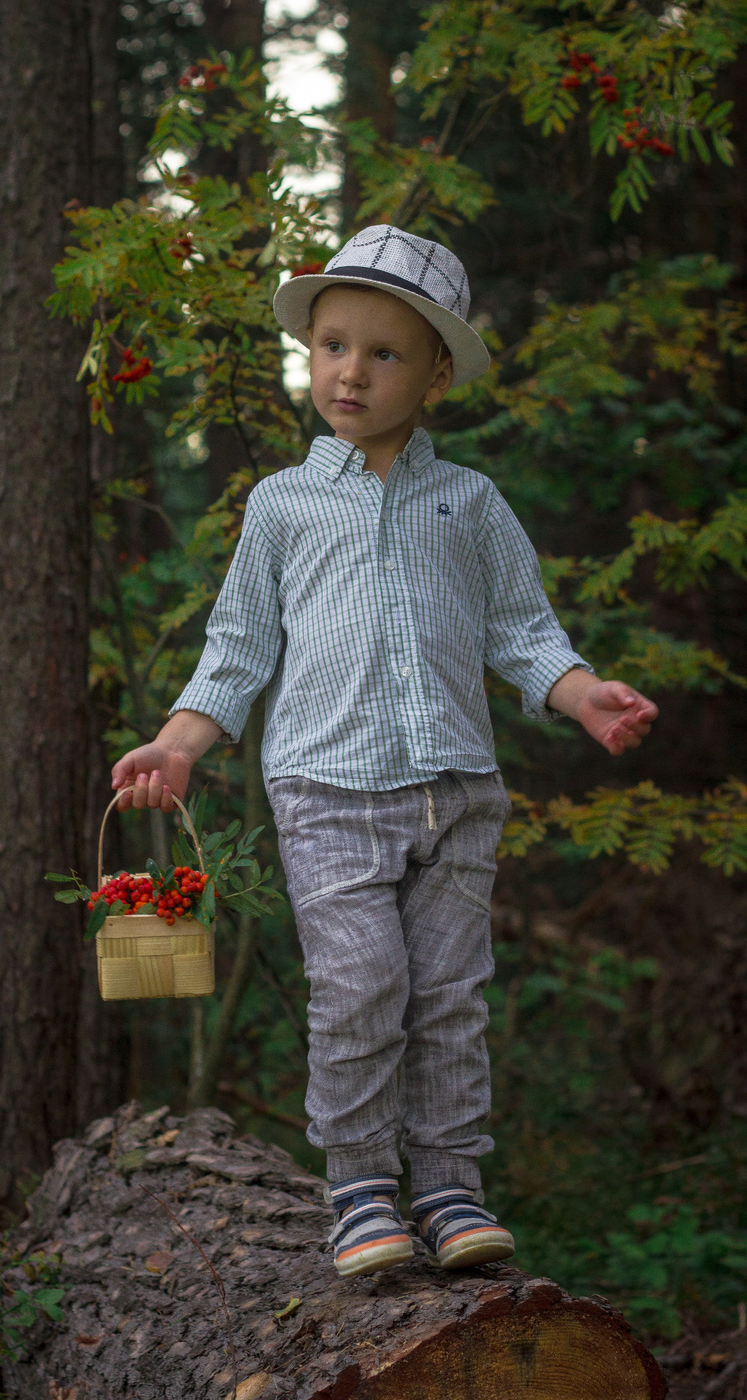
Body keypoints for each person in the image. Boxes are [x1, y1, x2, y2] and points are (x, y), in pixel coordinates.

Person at [111, 225, 658, 1280]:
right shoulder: (282, 505)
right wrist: (180, 745)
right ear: (309, 354)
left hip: (457, 791)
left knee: (450, 992)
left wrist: (584, 694)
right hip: (325, 788)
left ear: (437, 372)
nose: (350, 371)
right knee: (361, 984)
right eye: (331, 345)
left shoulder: (471, 504)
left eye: (384, 352)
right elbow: (238, 650)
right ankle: (362, 1183)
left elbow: (523, 632)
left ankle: (450, 1184)